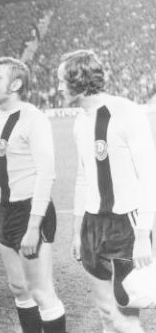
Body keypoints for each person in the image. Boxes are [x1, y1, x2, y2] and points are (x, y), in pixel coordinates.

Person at [58, 50, 156, 333]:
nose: (58, 87)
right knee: (105, 314)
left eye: (61, 80)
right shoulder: (80, 121)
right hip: (92, 225)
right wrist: (77, 230)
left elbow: (149, 175)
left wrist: (142, 236)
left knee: (125, 320)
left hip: (125, 226)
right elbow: (82, 176)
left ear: (79, 78)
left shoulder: (125, 112)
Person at [0, 57, 66, 333]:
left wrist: (33, 228)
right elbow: (1, 172)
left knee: (41, 291)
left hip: (31, 212)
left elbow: (46, 174)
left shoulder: (34, 118)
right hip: (8, 210)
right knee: (19, 288)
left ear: (16, 83)